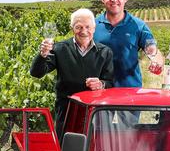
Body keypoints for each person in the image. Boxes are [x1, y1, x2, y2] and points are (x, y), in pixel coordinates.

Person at [30, 8, 114, 141]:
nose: (84, 31)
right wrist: (43, 55)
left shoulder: (105, 52)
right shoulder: (59, 49)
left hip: (94, 113)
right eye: (78, 27)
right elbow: (36, 73)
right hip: (67, 112)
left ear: (94, 28)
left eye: (87, 27)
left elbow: (110, 83)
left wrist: (101, 84)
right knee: (65, 150)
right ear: (72, 28)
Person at [94, 0, 164, 88]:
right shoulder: (92, 25)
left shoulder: (139, 26)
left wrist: (157, 61)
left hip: (130, 91)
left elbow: (152, 50)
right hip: (100, 91)